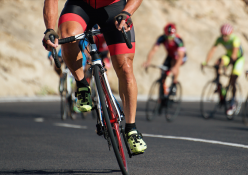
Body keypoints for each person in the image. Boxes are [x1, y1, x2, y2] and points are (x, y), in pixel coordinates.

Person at [42, 0, 146, 154]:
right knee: (68, 35)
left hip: (114, 8)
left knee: (125, 68)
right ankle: (82, 85)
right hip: (80, 6)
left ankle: (131, 129)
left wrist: (126, 12)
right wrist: (49, 29)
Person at [202, 24, 245, 116]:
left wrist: (227, 67)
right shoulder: (219, 39)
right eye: (223, 35)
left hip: (238, 59)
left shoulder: (235, 40)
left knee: (233, 80)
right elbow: (212, 50)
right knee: (218, 63)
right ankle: (218, 85)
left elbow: (234, 55)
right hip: (229, 56)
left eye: (226, 36)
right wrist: (205, 62)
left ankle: (233, 101)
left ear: (230, 34)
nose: (224, 38)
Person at [143, 23, 187, 96]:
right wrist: (148, 61)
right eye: (168, 37)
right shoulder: (161, 38)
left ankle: (174, 85)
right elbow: (153, 50)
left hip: (180, 56)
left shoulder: (178, 40)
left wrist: (175, 67)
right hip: (170, 55)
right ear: (165, 34)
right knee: (163, 71)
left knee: (174, 64)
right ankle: (162, 94)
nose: (170, 39)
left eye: (171, 37)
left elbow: (181, 55)